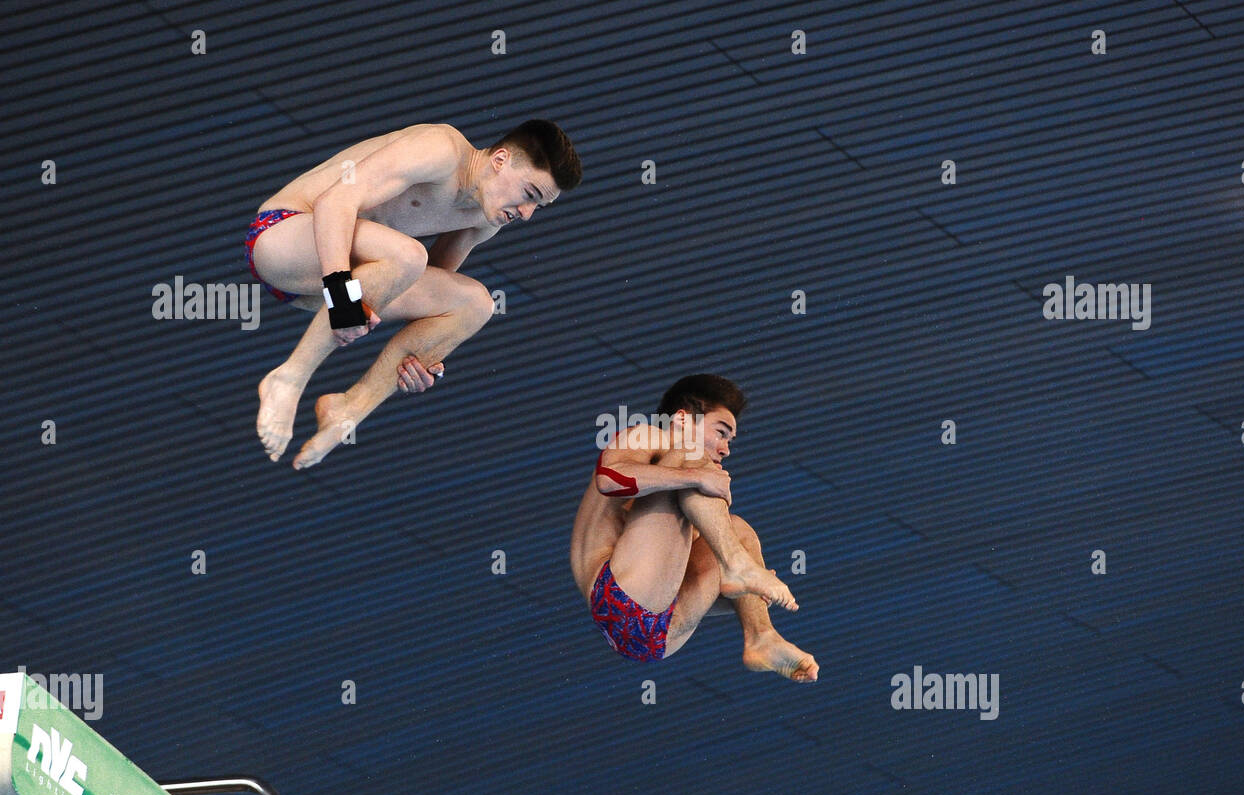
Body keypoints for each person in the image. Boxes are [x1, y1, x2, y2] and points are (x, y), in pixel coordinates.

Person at [248, 119, 582, 468]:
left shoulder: (484, 219)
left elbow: (431, 288)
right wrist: (342, 298)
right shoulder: (440, 149)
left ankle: (348, 408)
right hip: (282, 236)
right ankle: (289, 377)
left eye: (538, 207)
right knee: (408, 255)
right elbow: (336, 201)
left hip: (321, 287)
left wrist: (424, 356)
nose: (526, 215)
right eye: (529, 195)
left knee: (476, 304)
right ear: (500, 160)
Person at [569, 375, 818, 682]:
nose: (726, 449)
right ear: (684, 418)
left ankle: (760, 636)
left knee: (737, 529)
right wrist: (695, 476)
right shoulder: (646, 436)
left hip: (659, 635)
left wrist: (746, 599)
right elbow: (608, 480)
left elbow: (678, 588)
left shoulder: (680, 518)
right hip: (615, 600)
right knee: (692, 458)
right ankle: (736, 566)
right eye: (721, 432)